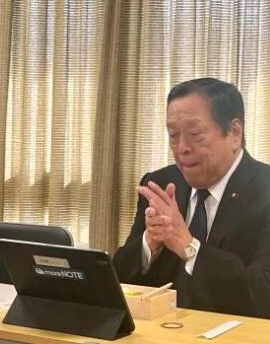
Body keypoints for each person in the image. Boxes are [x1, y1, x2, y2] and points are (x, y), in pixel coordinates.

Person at [114, 77, 270, 318]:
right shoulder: (161, 184)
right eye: (173, 135)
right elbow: (120, 281)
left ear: (234, 133)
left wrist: (189, 247)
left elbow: (263, 294)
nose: (182, 148)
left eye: (195, 134)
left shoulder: (264, 189)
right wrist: (150, 245)